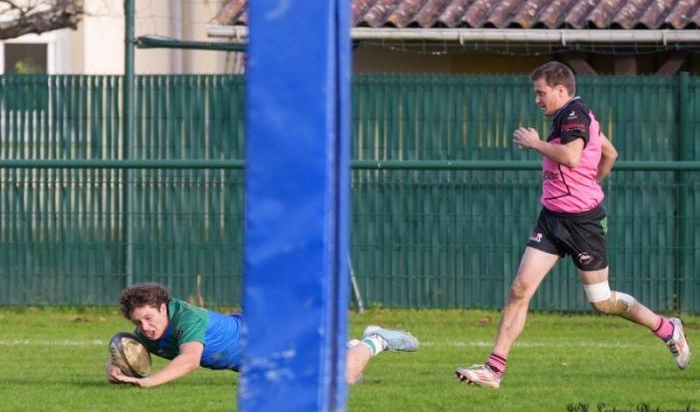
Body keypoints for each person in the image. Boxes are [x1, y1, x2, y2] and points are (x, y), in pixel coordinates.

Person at [455, 61, 691, 389]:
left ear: (561, 90)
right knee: (520, 288)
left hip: (583, 224)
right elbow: (610, 152)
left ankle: (667, 328)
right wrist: (590, 184)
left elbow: (571, 156)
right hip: (552, 219)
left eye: (541, 93)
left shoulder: (573, 114)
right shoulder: (573, 116)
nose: (536, 99)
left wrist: (536, 143)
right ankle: (493, 370)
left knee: (602, 300)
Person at [107, 282, 418, 387]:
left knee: (345, 377)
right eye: (139, 321)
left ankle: (375, 339)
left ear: (163, 307)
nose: (145, 327)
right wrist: (116, 365)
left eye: (149, 317)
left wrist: (149, 381)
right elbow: (124, 341)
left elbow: (189, 360)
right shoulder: (145, 331)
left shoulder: (187, 317)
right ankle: (345, 349)